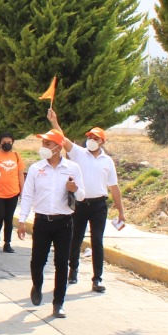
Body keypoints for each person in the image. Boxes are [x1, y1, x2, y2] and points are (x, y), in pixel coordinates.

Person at [48, 109, 127, 294]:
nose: (91, 140)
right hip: (80, 203)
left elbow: (114, 187)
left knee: (97, 241)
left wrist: (121, 211)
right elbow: (63, 139)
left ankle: (97, 278)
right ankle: (73, 269)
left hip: (99, 205)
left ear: (102, 142)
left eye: (96, 138)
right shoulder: (79, 153)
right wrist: (54, 121)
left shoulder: (107, 162)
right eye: (90, 137)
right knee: (75, 238)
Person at [15, 129, 84, 319]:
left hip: (64, 222)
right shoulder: (37, 169)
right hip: (42, 221)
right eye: (43, 143)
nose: (43, 147)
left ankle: (58, 303)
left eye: (47, 144)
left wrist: (75, 188)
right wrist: (22, 220)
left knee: (61, 263)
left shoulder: (72, 168)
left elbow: (81, 195)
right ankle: (37, 285)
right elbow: (27, 196)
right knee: (38, 260)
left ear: (58, 147)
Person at [0, 131, 25, 254]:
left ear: (13, 143)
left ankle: (7, 243)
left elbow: (20, 174)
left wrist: (22, 190)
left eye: (9, 142)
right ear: (0, 143)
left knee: (9, 218)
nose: (7, 144)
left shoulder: (16, 156)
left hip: (13, 192)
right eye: (4, 142)